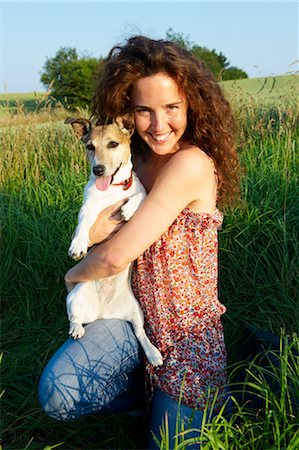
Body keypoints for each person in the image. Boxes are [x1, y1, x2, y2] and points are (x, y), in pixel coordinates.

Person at [39, 35, 239, 449]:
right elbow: (94, 228)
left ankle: (204, 397)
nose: (158, 124)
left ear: (191, 105)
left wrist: (72, 277)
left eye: (171, 108)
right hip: (127, 316)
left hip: (185, 336)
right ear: (127, 115)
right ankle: (144, 390)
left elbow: (111, 255)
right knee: (57, 395)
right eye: (143, 110)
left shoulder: (190, 163)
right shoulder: (129, 159)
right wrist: (91, 234)